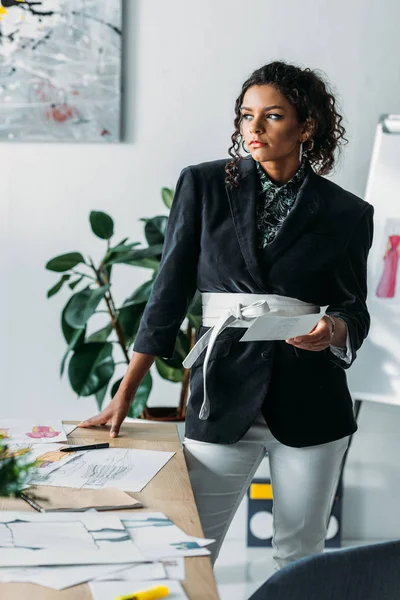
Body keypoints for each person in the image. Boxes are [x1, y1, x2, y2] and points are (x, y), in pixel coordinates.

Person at [79, 61, 374, 570]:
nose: (253, 129)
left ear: (306, 127)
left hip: (311, 400)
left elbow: (353, 306)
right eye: (246, 115)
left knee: (300, 556)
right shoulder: (205, 185)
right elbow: (167, 293)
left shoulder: (347, 212)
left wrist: (335, 329)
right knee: (190, 549)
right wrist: (127, 389)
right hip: (222, 390)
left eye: (272, 116)